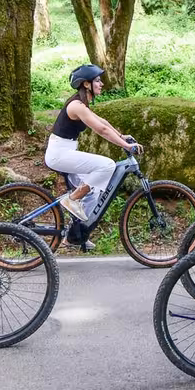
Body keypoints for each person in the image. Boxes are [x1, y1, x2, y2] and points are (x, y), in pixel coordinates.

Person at [46, 64, 140, 251]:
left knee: (93, 192)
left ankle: (75, 236)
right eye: (97, 80)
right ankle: (72, 199)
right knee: (107, 165)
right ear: (86, 84)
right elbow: (101, 129)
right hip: (59, 154)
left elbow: (102, 122)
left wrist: (121, 136)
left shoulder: (82, 104)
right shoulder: (76, 105)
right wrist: (126, 146)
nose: (102, 84)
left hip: (66, 151)